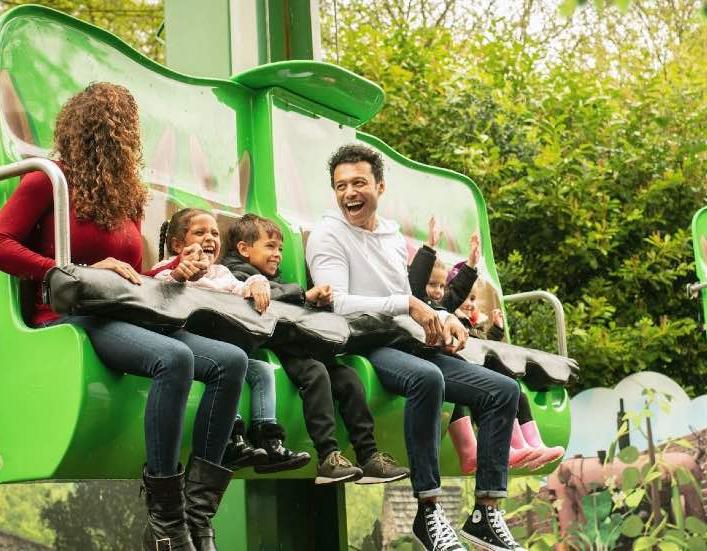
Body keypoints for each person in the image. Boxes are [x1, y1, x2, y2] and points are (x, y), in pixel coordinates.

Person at [0, 83, 246, 551]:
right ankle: (164, 519)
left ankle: (197, 514)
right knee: (173, 360)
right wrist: (72, 271)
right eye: (119, 128)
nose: (123, 138)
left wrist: (171, 273)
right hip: (71, 316)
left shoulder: (128, 198)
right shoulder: (49, 180)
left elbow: (134, 274)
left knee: (231, 362)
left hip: (121, 314)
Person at [306, 144, 526, 551]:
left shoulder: (390, 236)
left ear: (380, 186)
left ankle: (485, 513)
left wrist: (446, 320)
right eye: (340, 186)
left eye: (358, 183)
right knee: (426, 379)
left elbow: (405, 297)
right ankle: (428, 510)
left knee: (503, 391)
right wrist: (408, 304)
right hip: (362, 343)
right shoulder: (327, 235)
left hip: (403, 339)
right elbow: (337, 302)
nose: (349, 193)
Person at [220, 213, 410, 485]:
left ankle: (367, 455)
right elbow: (265, 302)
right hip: (278, 348)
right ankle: (328, 456)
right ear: (243, 248)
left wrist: (312, 303)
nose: (277, 255)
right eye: (270, 247)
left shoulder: (273, 278)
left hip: (298, 343)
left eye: (281, 249)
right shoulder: (237, 274)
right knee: (316, 374)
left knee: (348, 379)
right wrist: (303, 296)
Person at [154, 208, 312, 474]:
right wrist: (180, 275)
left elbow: (242, 286)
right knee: (227, 363)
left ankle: (268, 438)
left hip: (226, 345)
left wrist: (257, 282)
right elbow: (159, 289)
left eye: (215, 233)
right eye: (200, 232)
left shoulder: (220, 274)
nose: (209, 238)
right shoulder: (168, 269)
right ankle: (230, 435)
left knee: (261, 370)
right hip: (194, 346)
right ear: (177, 244)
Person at [409, 229, 562, 473]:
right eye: (432, 285)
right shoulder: (418, 304)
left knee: (513, 391)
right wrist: (428, 248)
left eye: (440, 286)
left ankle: (529, 446)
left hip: (461, 365)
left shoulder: (445, 309)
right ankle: (476, 450)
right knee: (473, 393)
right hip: (438, 366)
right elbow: (421, 286)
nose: (438, 291)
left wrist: (472, 263)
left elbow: (456, 293)